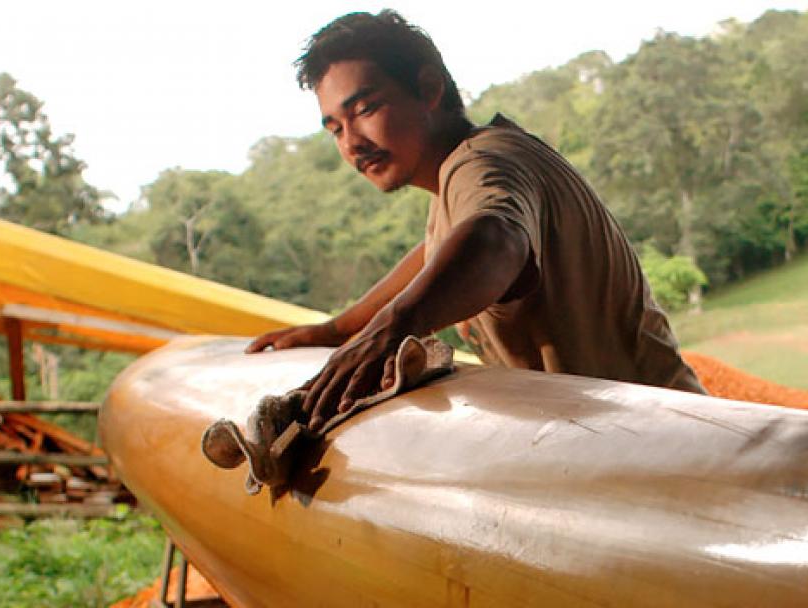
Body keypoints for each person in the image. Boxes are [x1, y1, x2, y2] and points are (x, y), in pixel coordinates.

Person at [246, 9, 705, 432]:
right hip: (643, 440)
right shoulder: (459, 180)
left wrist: (391, 330)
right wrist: (341, 330)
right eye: (335, 128)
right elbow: (436, 253)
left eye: (364, 110)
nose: (352, 144)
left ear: (428, 89)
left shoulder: (482, 164)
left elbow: (495, 240)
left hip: (673, 448)